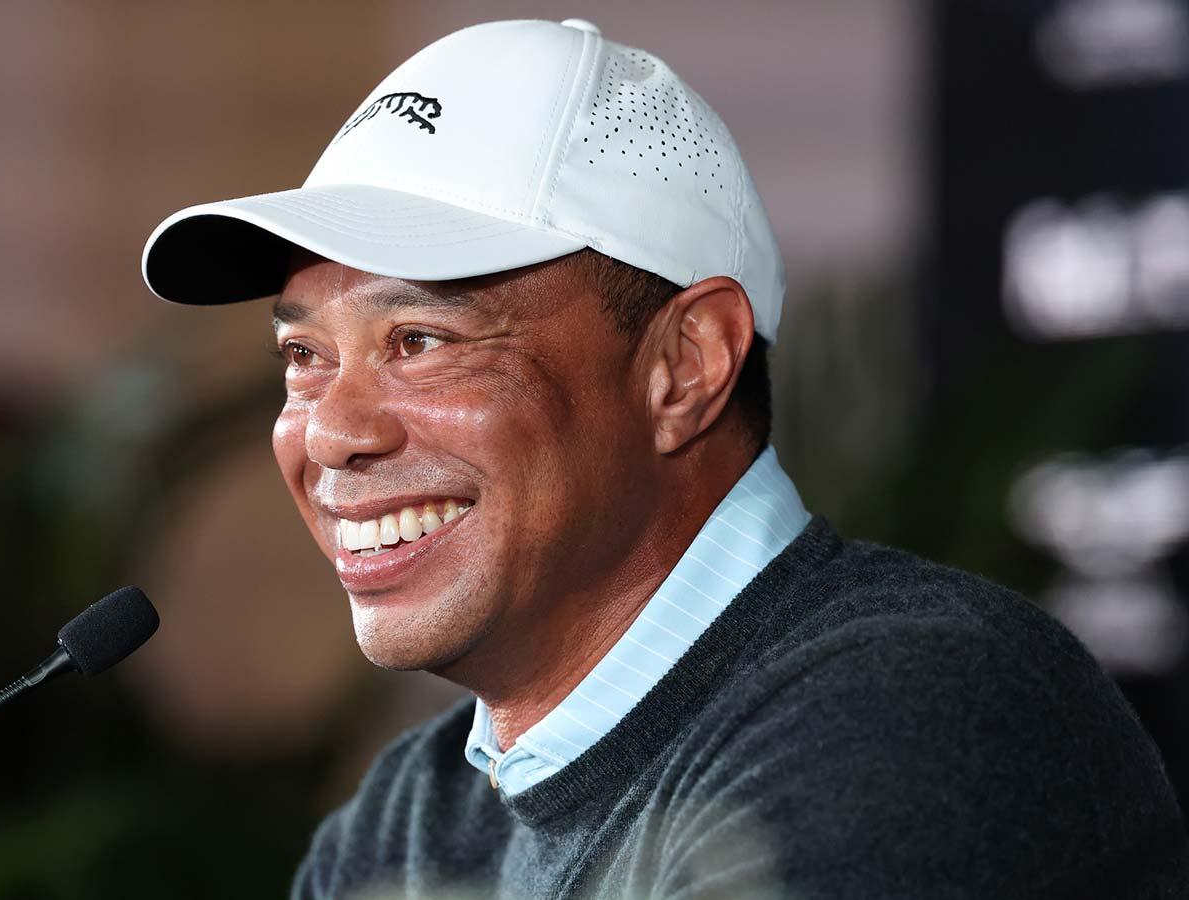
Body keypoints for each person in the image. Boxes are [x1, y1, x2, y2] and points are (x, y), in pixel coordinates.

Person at [140, 18, 1189, 899]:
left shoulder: (925, 709)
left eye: (419, 341)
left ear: (684, 367)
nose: (329, 433)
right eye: (302, 356)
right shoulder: (406, 821)